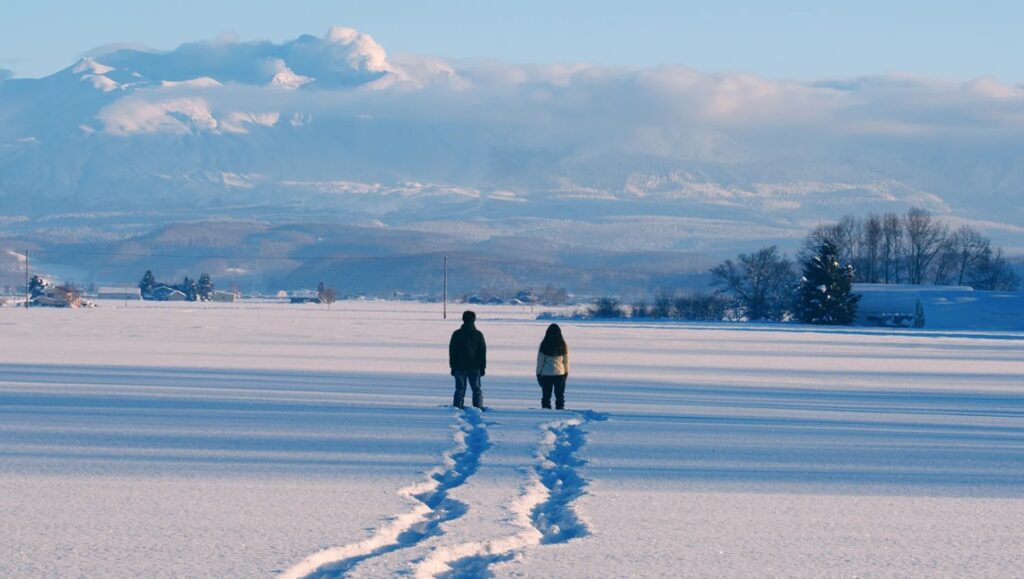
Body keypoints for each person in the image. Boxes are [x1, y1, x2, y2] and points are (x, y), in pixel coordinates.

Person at [449, 310, 487, 409]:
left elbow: (452, 352)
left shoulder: (457, 334)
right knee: (476, 389)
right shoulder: (478, 334)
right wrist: (482, 368)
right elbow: (482, 353)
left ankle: (457, 408)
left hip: (459, 366)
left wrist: (453, 367)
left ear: (463, 319)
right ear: (474, 320)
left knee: (459, 390)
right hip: (475, 367)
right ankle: (478, 408)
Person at [536, 323, 569, 410]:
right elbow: (566, 361)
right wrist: (566, 372)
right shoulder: (563, 344)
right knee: (560, 396)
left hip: (546, 375)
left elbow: (540, 361)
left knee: (546, 397)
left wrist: (538, 374)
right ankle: (560, 411)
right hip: (560, 374)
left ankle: (546, 413)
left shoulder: (544, 344)